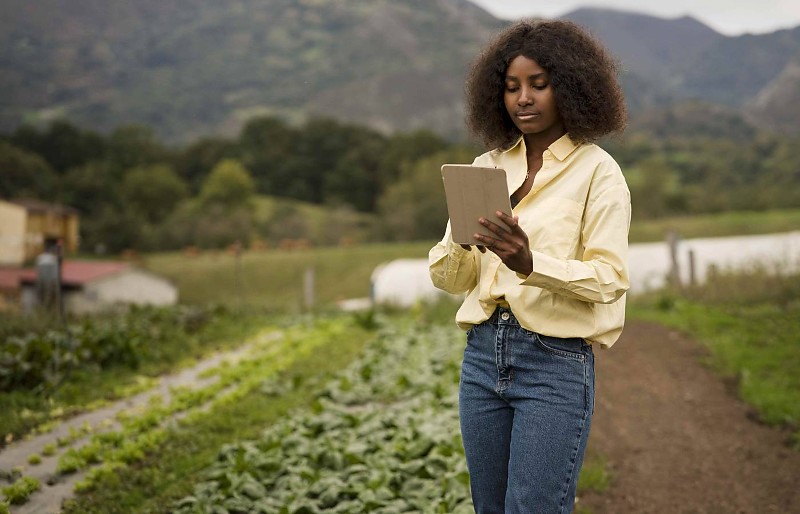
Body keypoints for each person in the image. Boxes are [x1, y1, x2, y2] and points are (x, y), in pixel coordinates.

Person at [429, 19, 630, 514]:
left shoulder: (598, 172)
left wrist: (529, 262)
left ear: (572, 87)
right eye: (512, 87)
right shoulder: (485, 166)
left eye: (539, 85)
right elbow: (448, 278)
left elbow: (610, 280)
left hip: (554, 363)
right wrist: (462, 237)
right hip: (482, 357)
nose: (524, 98)